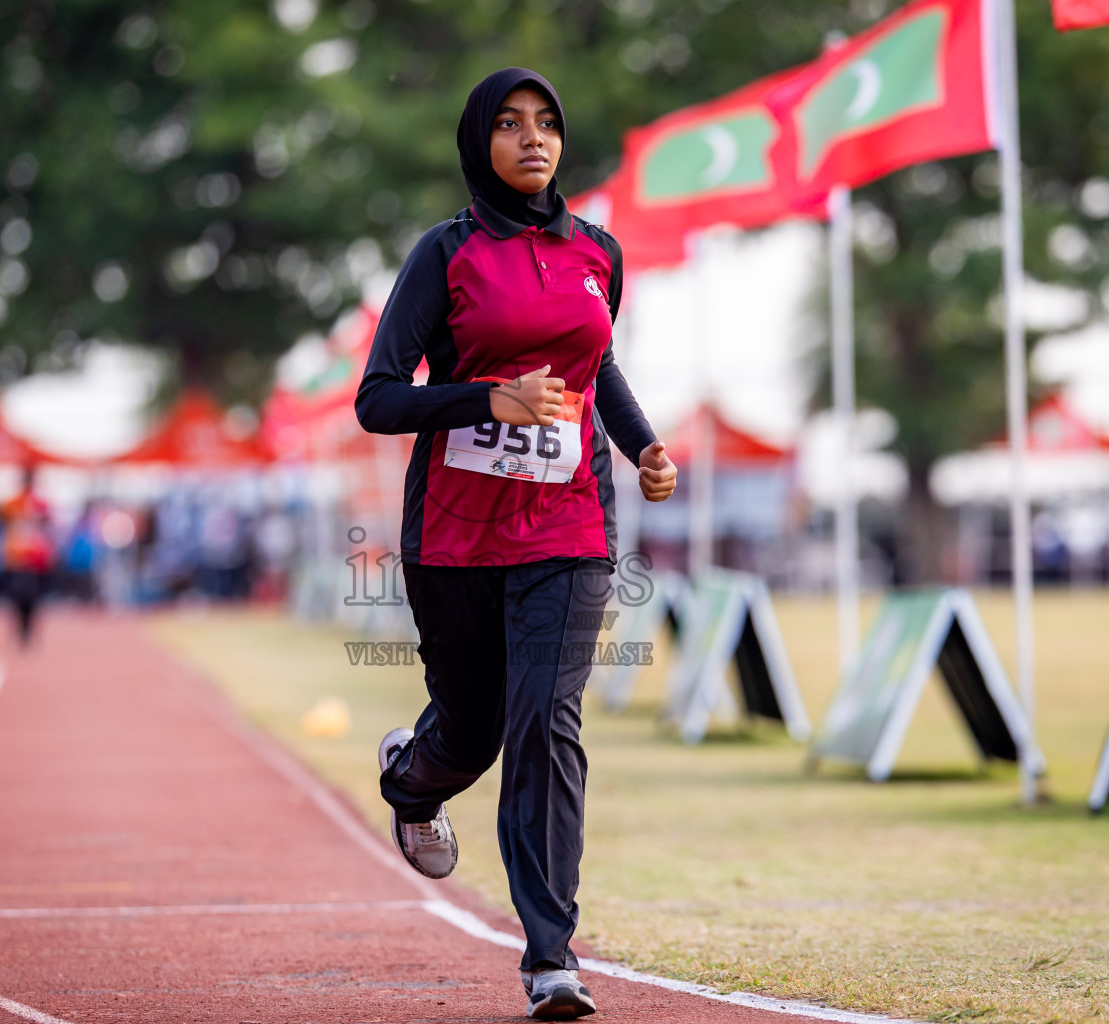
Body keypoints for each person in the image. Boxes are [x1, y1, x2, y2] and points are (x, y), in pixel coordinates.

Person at [355, 68, 676, 1021]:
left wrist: (644, 444)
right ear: (476, 143)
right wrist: (486, 398)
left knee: (548, 719)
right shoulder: (444, 255)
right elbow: (378, 397)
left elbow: (597, 363)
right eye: (509, 124)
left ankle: (551, 956)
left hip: (570, 527)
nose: (533, 140)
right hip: (454, 536)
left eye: (546, 125)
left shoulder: (599, 254)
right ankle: (412, 781)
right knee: (475, 730)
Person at [1, 463, 53, 646]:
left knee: (32, 596)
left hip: (35, 558)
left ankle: (28, 628)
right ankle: (21, 627)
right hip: (17, 556)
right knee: (18, 596)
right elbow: (6, 526)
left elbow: (47, 527)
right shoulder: (12, 503)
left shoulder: (40, 504)